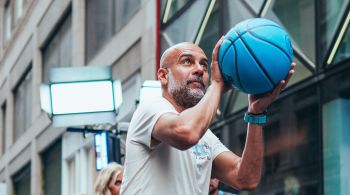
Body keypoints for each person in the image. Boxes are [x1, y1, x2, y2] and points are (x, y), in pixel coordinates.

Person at [120, 37, 295, 194]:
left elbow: (246, 178)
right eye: (187, 62)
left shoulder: (205, 136)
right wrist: (217, 84)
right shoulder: (151, 108)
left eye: (204, 65)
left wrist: (256, 113)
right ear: (164, 76)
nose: (199, 69)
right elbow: (187, 132)